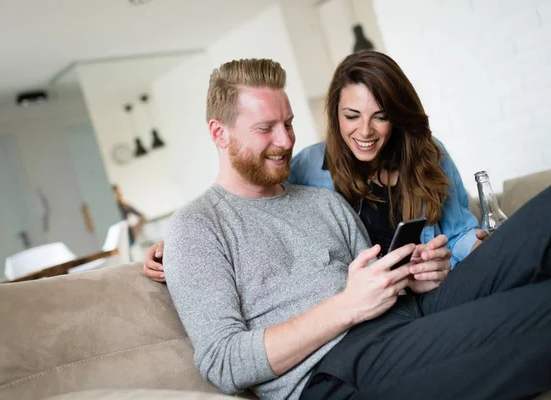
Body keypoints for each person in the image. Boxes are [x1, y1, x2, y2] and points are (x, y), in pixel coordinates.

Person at [163, 57, 551, 400]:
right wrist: (346, 307)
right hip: (338, 368)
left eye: (289, 123)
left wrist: (407, 275)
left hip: (406, 314)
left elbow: (373, 284)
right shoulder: (197, 227)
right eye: (266, 128)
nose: (285, 140)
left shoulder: (321, 200)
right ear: (219, 133)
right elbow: (224, 362)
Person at [143, 50, 482, 282]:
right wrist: (177, 247)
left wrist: (464, 253)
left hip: (439, 286)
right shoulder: (308, 168)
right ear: (335, 113)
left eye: (380, 117)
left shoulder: (428, 154)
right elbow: (251, 199)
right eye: (351, 116)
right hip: (385, 305)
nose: (364, 131)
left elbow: (460, 233)